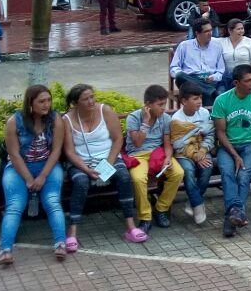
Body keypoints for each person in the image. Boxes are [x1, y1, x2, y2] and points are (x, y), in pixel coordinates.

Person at [61, 84, 144, 249]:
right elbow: (69, 151)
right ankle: (72, 231)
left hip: (109, 158)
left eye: (92, 97)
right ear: (75, 103)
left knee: (123, 176)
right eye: (85, 99)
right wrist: (86, 169)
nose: (91, 101)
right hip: (81, 162)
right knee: (81, 182)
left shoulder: (105, 110)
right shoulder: (67, 120)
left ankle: (131, 226)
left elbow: (117, 139)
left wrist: (107, 166)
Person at [0, 85, 68, 265]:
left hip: (47, 165)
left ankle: (61, 244)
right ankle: (5, 250)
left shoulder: (55, 119)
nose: (47, 105)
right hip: (19, 167)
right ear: (30, 103)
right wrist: (29, 179)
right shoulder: (14, 121)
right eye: (41, 101)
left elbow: (56, 150)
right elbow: (13, 154)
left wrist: (42, 176)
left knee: (52, 201)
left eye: (49, 100)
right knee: (15, 205)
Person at [212, 64, 251, 237]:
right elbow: (220, 132)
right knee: (227, 172)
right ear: (236, 83)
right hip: (227, 145)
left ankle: (231, 216)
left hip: (250, 145)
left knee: (244, 175)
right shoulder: (222, 100)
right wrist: (235, 155)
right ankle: (237, 213)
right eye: (248, 81)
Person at [125, 84, 184, 234]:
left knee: (178, 173)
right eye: (160, 104)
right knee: (138, 179)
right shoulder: (133, 118)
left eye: (164, 104)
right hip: (137, 155)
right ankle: (145, 217)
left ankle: (161, 209)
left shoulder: (165, 118)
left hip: (158, 154)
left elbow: (167, 144)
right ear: (148, 105)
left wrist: (168, 158)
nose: (163, 108)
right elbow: (137, 143)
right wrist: (145, 122)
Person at [170, 80, 215, 225]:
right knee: (188, 171)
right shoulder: (177, 119)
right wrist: (194, 155)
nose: (199, 101)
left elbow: (210, 134)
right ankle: (198, 205)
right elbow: (178, 144)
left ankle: (192, 202)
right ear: (184, 101)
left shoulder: (204, 113)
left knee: (207, 167)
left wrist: (202, 150)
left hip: (202, 150)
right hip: (184, 154)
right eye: (195, 98)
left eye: (200, 97)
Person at [170, 19, 228, 104]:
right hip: (190, 79)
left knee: (204, 93)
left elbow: (220, 70)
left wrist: (214, 77)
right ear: (197, 33)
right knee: (180, 76)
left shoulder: (217, 46)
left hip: (209, 80)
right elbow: (174, 68)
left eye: (211, 30)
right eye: (206, 31)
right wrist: (186, 76)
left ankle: (207, 92)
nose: (210, 33)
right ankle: (209, 91)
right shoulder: (184, 46)